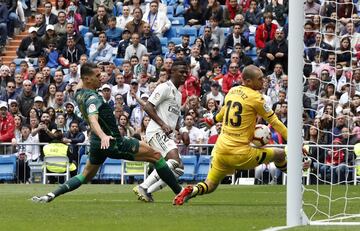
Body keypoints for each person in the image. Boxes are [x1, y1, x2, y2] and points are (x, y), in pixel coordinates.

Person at [32, 63, 185, 203]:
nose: (102, 78)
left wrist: (90, 67)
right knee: (157, 157)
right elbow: (93, 119)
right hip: (113, 141)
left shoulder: (78, 92)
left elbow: (81, 78)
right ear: (87, 79)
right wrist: (103, 135)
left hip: (96, 144)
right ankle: (180, 192)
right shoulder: (93, 98)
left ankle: (50, 195)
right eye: (97, 76)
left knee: (85, 175)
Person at [173, 65, 308, 205]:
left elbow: (222, 112)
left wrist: (212, 120)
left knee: (210, 185)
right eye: (260, 79)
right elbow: (275, 122)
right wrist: (296, 143)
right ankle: (296, 178)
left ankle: (191, 190)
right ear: (248, 81)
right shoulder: (256, 98)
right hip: (240, 153)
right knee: (279, 154)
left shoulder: (232, 91)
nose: (263, 82)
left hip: (220, 151)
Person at [133, 60, 190, 202]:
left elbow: (175, 118)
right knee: (174, 160)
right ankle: (143, 186)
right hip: (156, 131)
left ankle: (148, 191)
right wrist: (163, 124)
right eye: (181, 72)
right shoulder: (164, 87)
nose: (184, 74)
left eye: (186, 72)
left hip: (165, 133)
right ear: (172, 72)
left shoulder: (178, 94)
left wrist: (182, 130)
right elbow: (148, 107)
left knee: (178, 169)